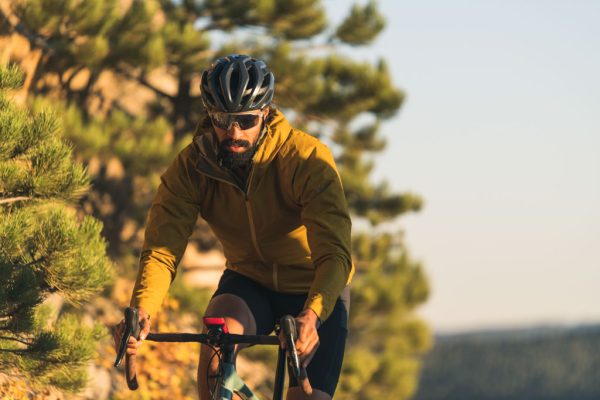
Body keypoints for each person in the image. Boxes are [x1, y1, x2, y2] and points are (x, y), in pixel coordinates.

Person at [114, 54, 353, 400]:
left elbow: (334, 253)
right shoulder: (192, 167)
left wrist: (313, 316)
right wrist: (142, 311)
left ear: (266, 114)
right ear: (209, 115)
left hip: (314, 287)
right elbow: (162, 251)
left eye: (245, 120)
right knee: (217, 335)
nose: (234, 132)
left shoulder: (305, 159)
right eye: (223, 119)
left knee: (308, 397)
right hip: (249, 281)